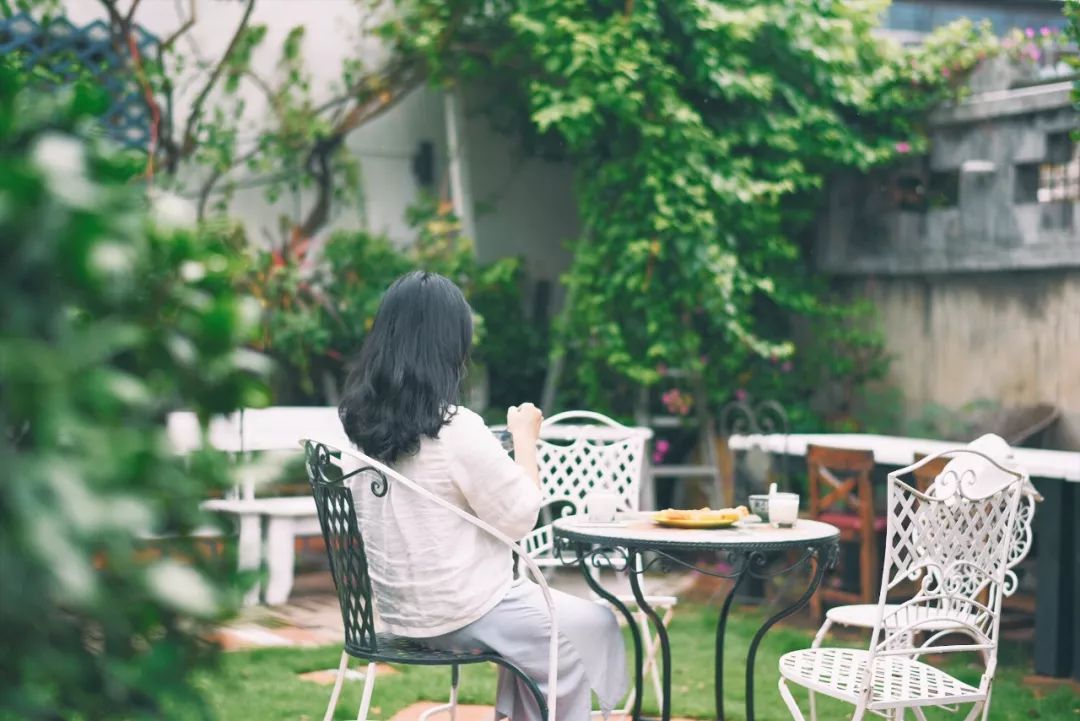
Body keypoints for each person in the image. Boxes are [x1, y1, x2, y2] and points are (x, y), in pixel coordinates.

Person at [338, 271, 627, 721]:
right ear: (448, 346)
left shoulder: (357, 430)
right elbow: (520, 518)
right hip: (465, 611)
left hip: (397, 615)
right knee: (593, 625)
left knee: (543, 628)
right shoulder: (454, 427)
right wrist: (524, 438)